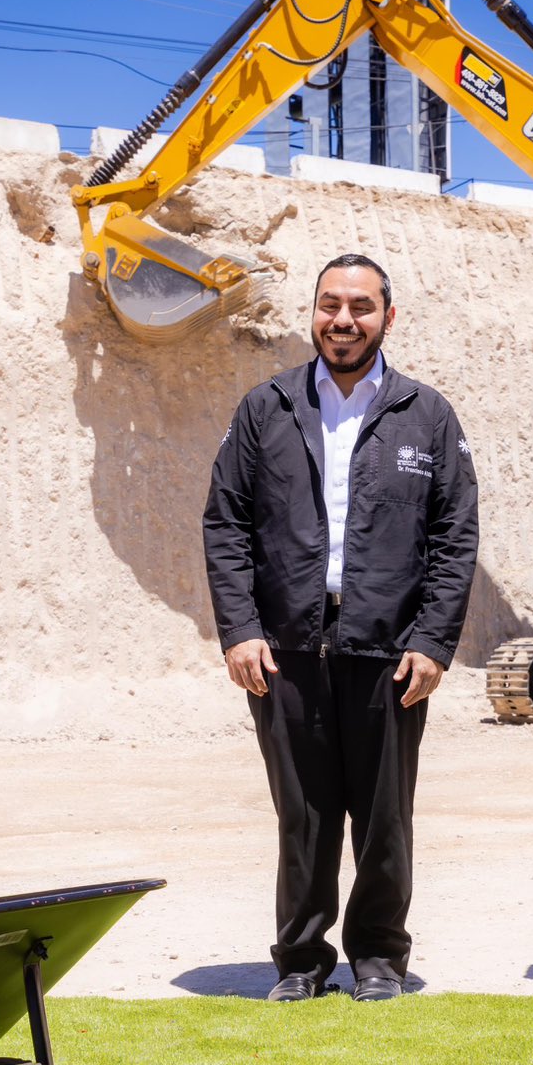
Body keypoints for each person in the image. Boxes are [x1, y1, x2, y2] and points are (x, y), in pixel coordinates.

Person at [202, 253, 479, 1004]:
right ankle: (300, 959)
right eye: (330, 305)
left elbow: (455, 537)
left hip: (389, 648)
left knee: (384, 813)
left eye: (361, 306)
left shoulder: (427, 413)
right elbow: (226, 523)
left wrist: (432, 641)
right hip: (287, 646)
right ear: (312, 312)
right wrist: (240, 629)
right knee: (304, 813)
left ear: (388, 317)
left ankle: (380, 955)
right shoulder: (267, 407)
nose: (343, 320)